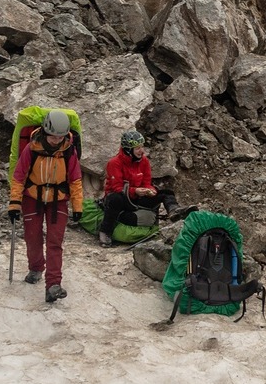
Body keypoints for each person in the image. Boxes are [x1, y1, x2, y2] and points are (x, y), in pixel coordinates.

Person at [9, 109, 83, 303]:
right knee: (32, 237)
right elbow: (19, 177)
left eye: (60, 136)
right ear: (45, 131)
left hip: (58, 198)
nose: (56, 140)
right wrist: (14, 204)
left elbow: (75, 180)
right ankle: (35, 268)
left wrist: (78, 206)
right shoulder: (31, 148)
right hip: (32, 197)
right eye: (53, 136)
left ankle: (53, 285)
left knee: (55, 242)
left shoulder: (69, 150)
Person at [97, 130, 172, 243]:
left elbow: (147, 182)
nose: (141, 151)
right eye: (137, 148)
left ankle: (174, 212)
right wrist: (135, 191)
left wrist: (150, 190)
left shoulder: (144, 161)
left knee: (166, 193)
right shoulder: (114, 163)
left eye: (142, 147)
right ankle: (105, 231)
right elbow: (117, 188)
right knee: (115, 198)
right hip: (121, 199)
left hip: (137, 197)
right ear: (128, 150)